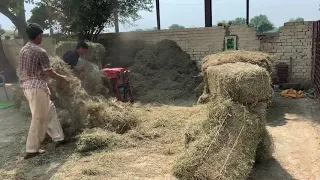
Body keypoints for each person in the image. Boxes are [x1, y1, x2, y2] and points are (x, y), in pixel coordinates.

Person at [19, 23, 69, 159]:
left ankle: (59, 138)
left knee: (50, 110)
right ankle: (32, 149)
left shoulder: (23, 50)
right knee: (39, 117)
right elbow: (48, 72)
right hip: (37, 88)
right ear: (39, 36)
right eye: (42, 35)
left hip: (27, 87)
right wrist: (62, 78)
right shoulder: (40, 51)